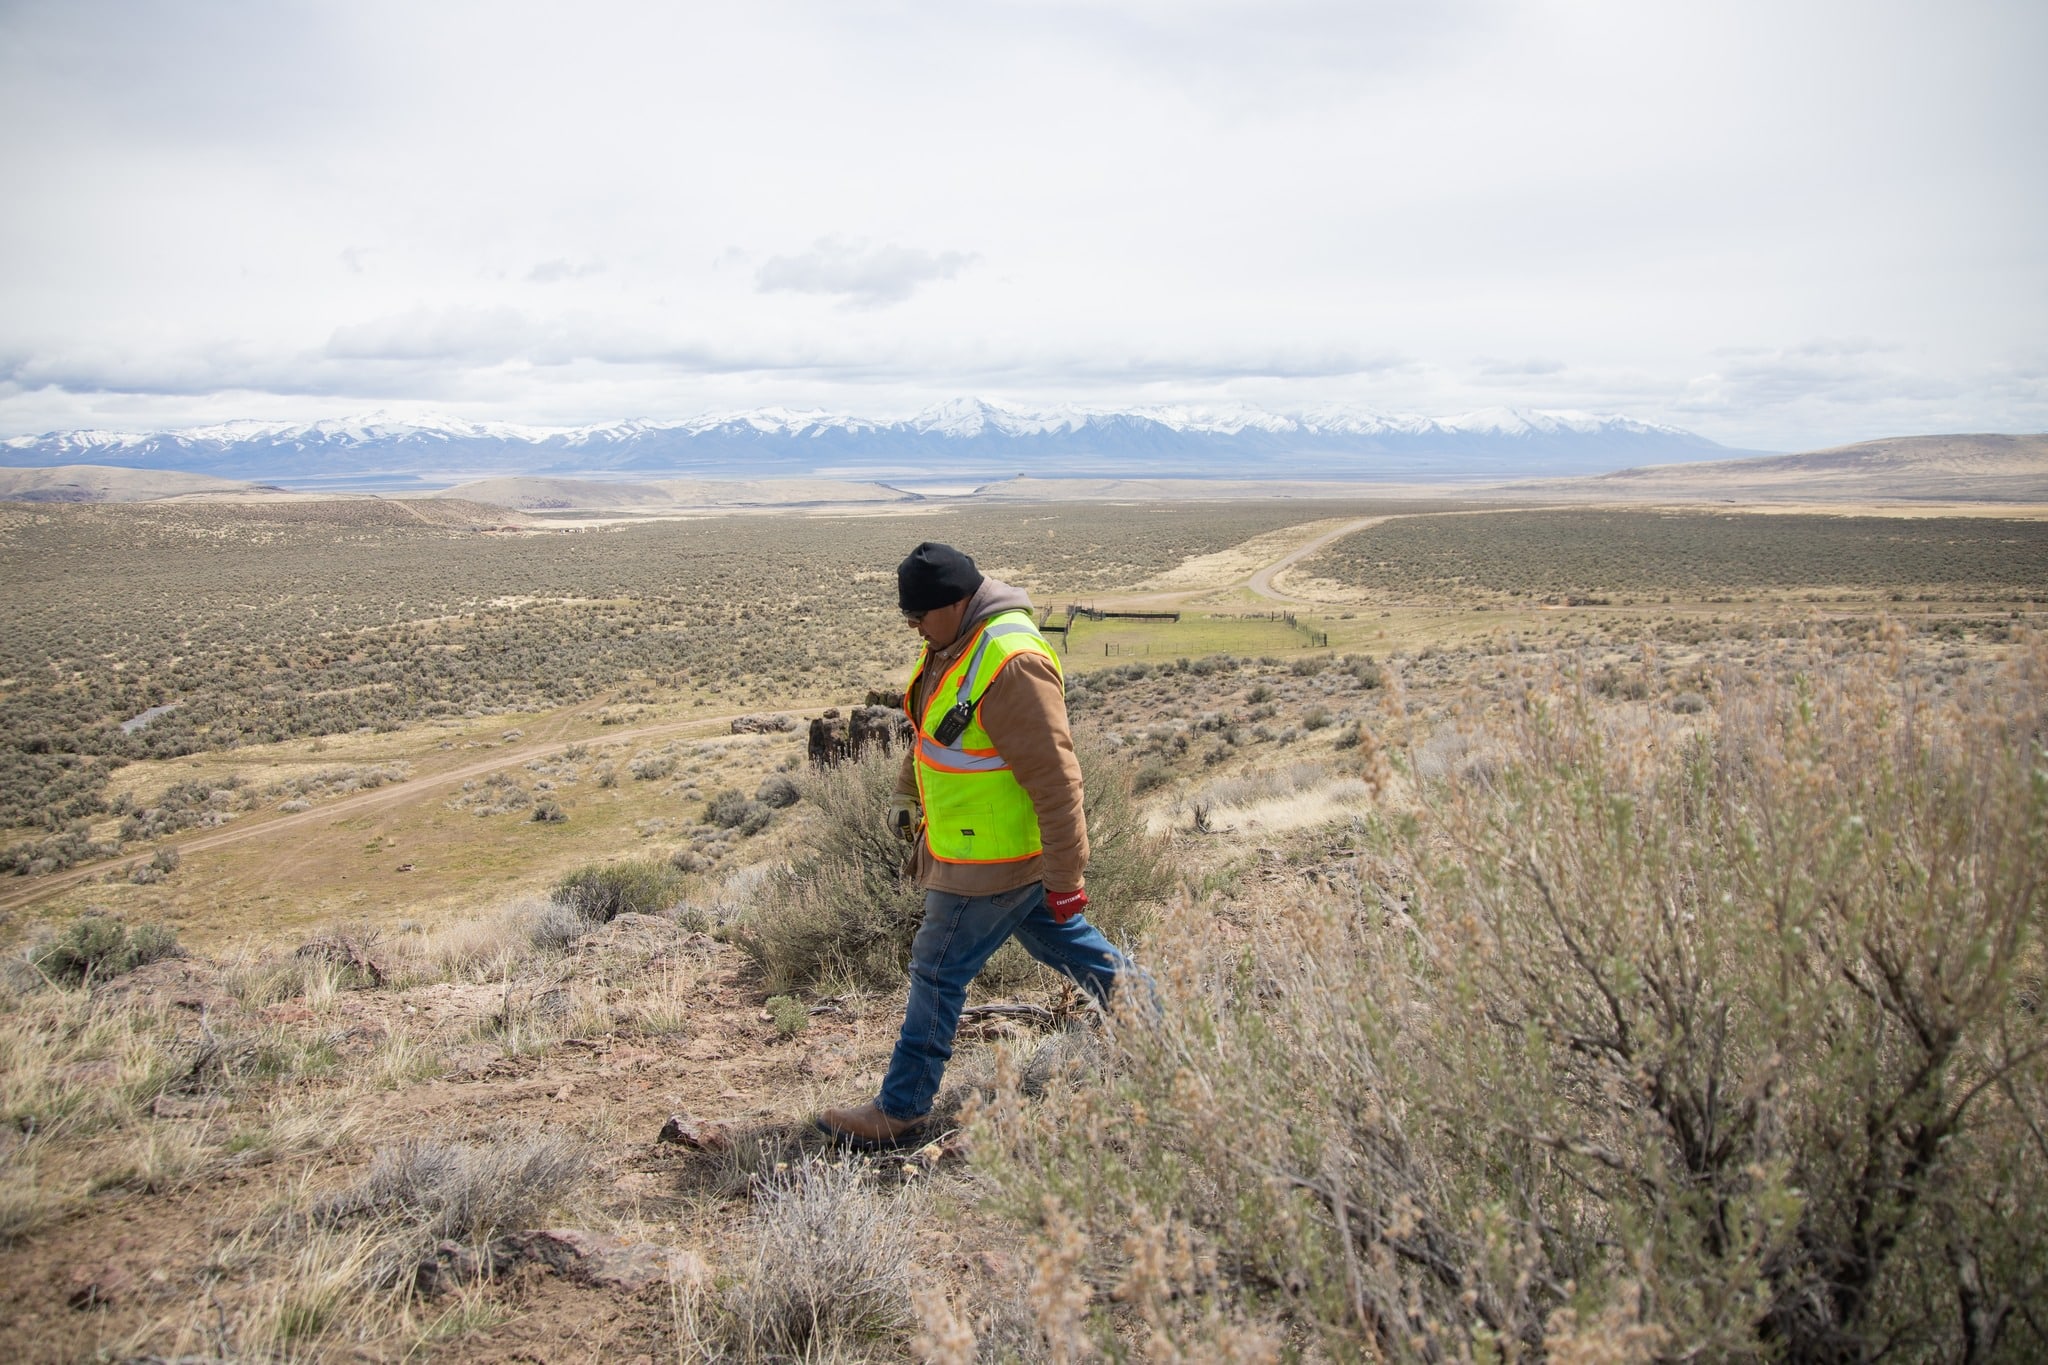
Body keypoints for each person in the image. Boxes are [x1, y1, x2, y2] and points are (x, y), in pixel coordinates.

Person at [816, 541, 1132, 1147]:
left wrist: (1067, 878)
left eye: (919, 615)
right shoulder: (954, 643)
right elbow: (938, 729)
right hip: (989, 851)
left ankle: (901, 1108)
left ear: (957, 602)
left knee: (936, 971)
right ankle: (1167, 1032)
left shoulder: (1011, 664)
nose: (913, 626)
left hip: (991, 864)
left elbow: (1058, 779)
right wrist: (909, 792)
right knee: (1073, 950)